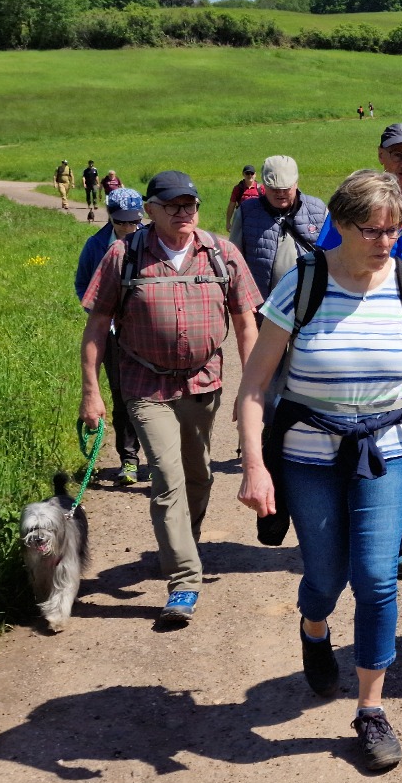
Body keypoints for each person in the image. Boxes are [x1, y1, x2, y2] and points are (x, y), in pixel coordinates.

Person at [236, 168, 402, 772]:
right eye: (372, 230)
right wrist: (255, 467)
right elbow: (253, 387)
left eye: (395, 229)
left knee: (376, 577)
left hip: (389, 447)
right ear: (341, 226)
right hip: (308, 454)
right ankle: (314, 626)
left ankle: (371, 710)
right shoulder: (302, 285)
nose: (386, 242)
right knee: (326, 577)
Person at [81, 170, 262, 627]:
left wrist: (254, 389)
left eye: (191, 204)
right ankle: (184, 580)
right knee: (166, 477)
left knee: (199, 474)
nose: (185, 212)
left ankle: (186, 538)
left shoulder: (222, 253)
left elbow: (245, 323)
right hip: (145, 385)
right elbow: (97, 324)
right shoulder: (123, 255)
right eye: (173, 205)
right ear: (151, 210)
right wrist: (91, 392)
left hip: (203, 383)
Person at [320, 123, 402, 581]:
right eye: (396, 153)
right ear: (381, 155)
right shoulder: (354, 205)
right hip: (364, 329)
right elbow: (326, 265)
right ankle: (358, 525)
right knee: (365, 428)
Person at [74, 188, 148, 485]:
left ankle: (160, 460)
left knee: (155, 395)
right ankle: (129, 459)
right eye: (121, 222)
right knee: (121, 395)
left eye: (133, 221)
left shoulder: (154, 241)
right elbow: (82, 284)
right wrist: (100, 314)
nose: (128, 227)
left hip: (147, 332)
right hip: (113, 334)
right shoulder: (95, 246)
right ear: (110, 217)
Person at [236, 155, 330, 298]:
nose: (280, 193)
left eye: (286, 188)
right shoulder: (246, 212)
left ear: (296, 183)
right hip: (264, 304)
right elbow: (235, 264)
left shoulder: (319, 209)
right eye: (274, 188)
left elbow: (336, 257)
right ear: (264, 185)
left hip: (313, 302)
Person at [226, 164, 262, 234]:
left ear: (255, 174)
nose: (250, 175)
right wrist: (228, 222)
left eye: (252, 173)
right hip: (241, 220)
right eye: (247, 173)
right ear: (243, 174)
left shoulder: (261, 188)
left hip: (257, 220)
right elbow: (231, 205)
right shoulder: (238, 188)